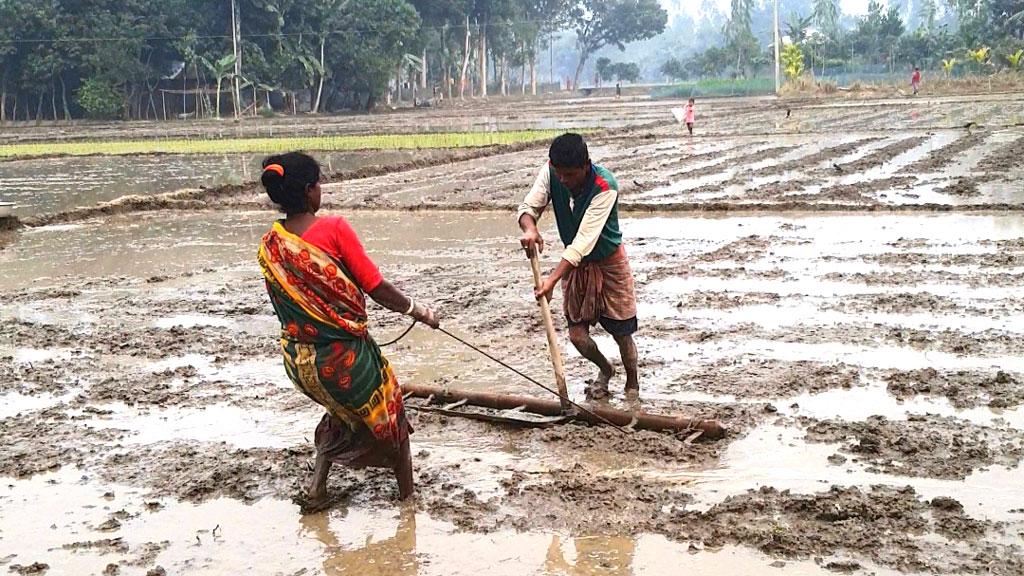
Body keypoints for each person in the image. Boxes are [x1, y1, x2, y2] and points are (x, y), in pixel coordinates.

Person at [256, 152, 440, 507]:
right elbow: (376, 287)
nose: (321, 189)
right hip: (342, 360)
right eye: (319, 184)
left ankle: (317, 489)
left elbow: (288, 305)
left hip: (298, 361)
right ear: (310, 191)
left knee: (340, 411)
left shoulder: (271, 244)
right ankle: (408, 502)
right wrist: (421, 312)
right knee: (392, 411)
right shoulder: (335, 228)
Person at [517, 133, 640, 400]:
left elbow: (582, 243)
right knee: (577, 337)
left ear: (586, 166)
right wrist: (530, 229)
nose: (563, 180)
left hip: (608, 262)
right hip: (575, 266)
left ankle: (633, 383)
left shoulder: (605, 187)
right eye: (559, 174)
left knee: (622, 332)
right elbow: (529, 206)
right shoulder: (552, 172)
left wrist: (551, 280)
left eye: (570, 175)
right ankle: (605, 370)